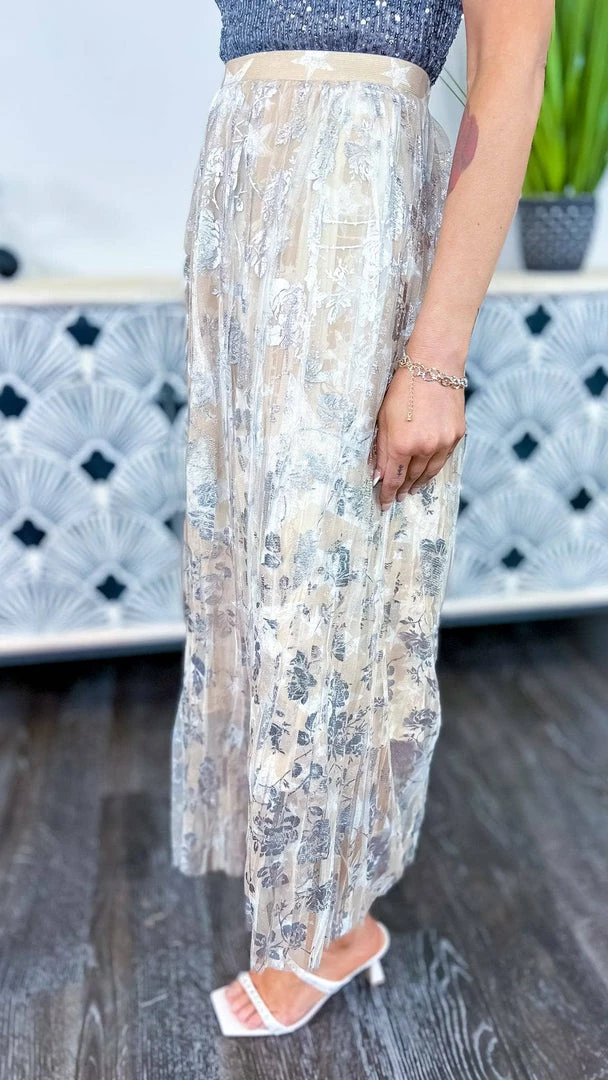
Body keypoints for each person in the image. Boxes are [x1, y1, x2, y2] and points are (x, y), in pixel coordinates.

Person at [171, 0, 554, 1037]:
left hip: (353, 211)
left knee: (327, 569)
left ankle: (332, 923)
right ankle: (309, 896)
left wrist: (437, 361)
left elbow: (512, 71)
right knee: (258, 567)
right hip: (244, 202)